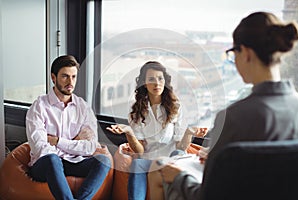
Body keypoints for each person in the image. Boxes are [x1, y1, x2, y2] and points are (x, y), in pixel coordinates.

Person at [150, 11, 298, 200]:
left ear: (245, 53)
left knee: (158, 168)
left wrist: (179, 177)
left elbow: (206, 196)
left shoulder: (235, 116)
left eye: (233, 52)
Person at [107, 61, 207, 200]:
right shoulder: (136, 111)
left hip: (171, 159)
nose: (157, 83)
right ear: (144, 83)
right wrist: (129, 132)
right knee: (137, 163)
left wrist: (189, 132)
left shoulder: (176, 106)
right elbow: (140, 151)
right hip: (149, 161)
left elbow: (181, 146)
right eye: (151, 79)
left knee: (178, 153)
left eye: (160, 79)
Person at [26, 55, 112, 200]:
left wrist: (58, 141)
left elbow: (90, 147)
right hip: (46, 165)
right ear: (53, 77)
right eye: (65, 76)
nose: (70, 82)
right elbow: (40, 148)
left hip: (75, 161)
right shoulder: (39, 106)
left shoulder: (83, 107)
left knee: (104, 161)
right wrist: (75, 141)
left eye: (73, 77)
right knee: (52, 159)